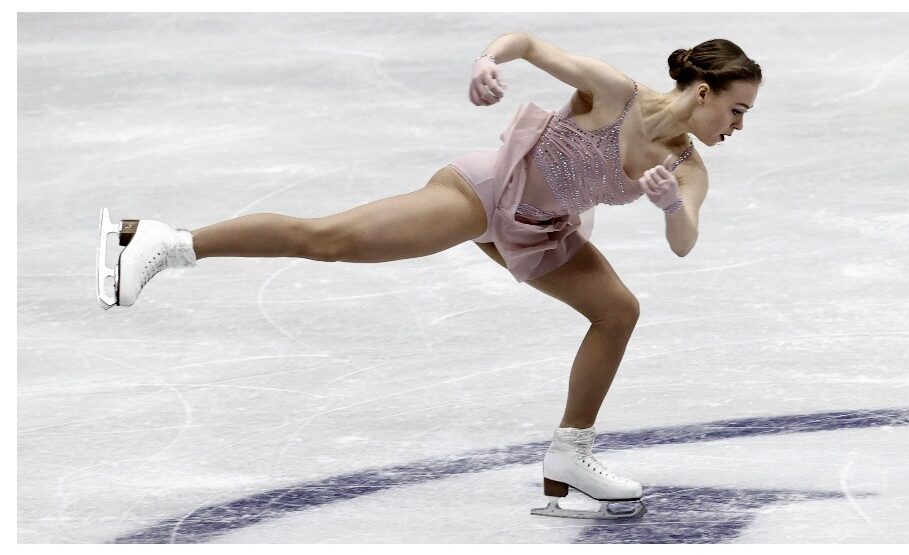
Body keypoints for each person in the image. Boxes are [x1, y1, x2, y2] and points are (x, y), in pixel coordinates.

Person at [96, 32, 762, 519]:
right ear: (703, 92)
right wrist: (488, 61)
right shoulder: (617, 94)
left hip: (538, 229)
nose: (737, 125)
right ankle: (162, 241)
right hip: (486, 192)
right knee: (330, 240)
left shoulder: (686, 166)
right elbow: (530, 45)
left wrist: (670, 207)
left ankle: (570, 451)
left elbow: (685, 241)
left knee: (617, 310)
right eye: (737, 110)